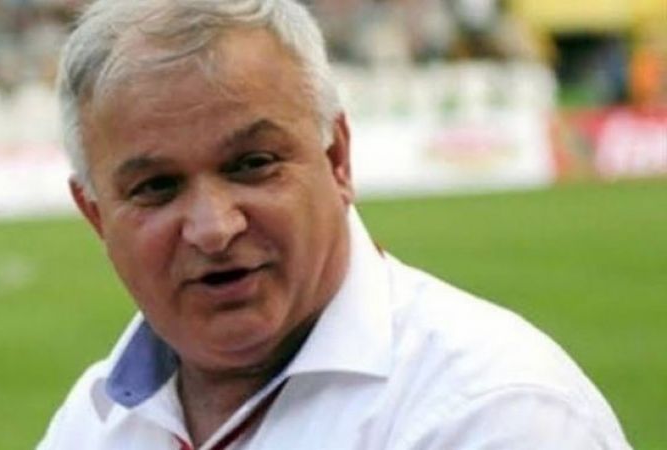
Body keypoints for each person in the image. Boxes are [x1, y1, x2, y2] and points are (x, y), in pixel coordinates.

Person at [38, 1, 631, 449]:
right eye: (156, 187)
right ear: (96, 216)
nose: (214, 227)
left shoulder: (493, 412)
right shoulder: (91, 422)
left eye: (252, 163)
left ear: (337, 159)